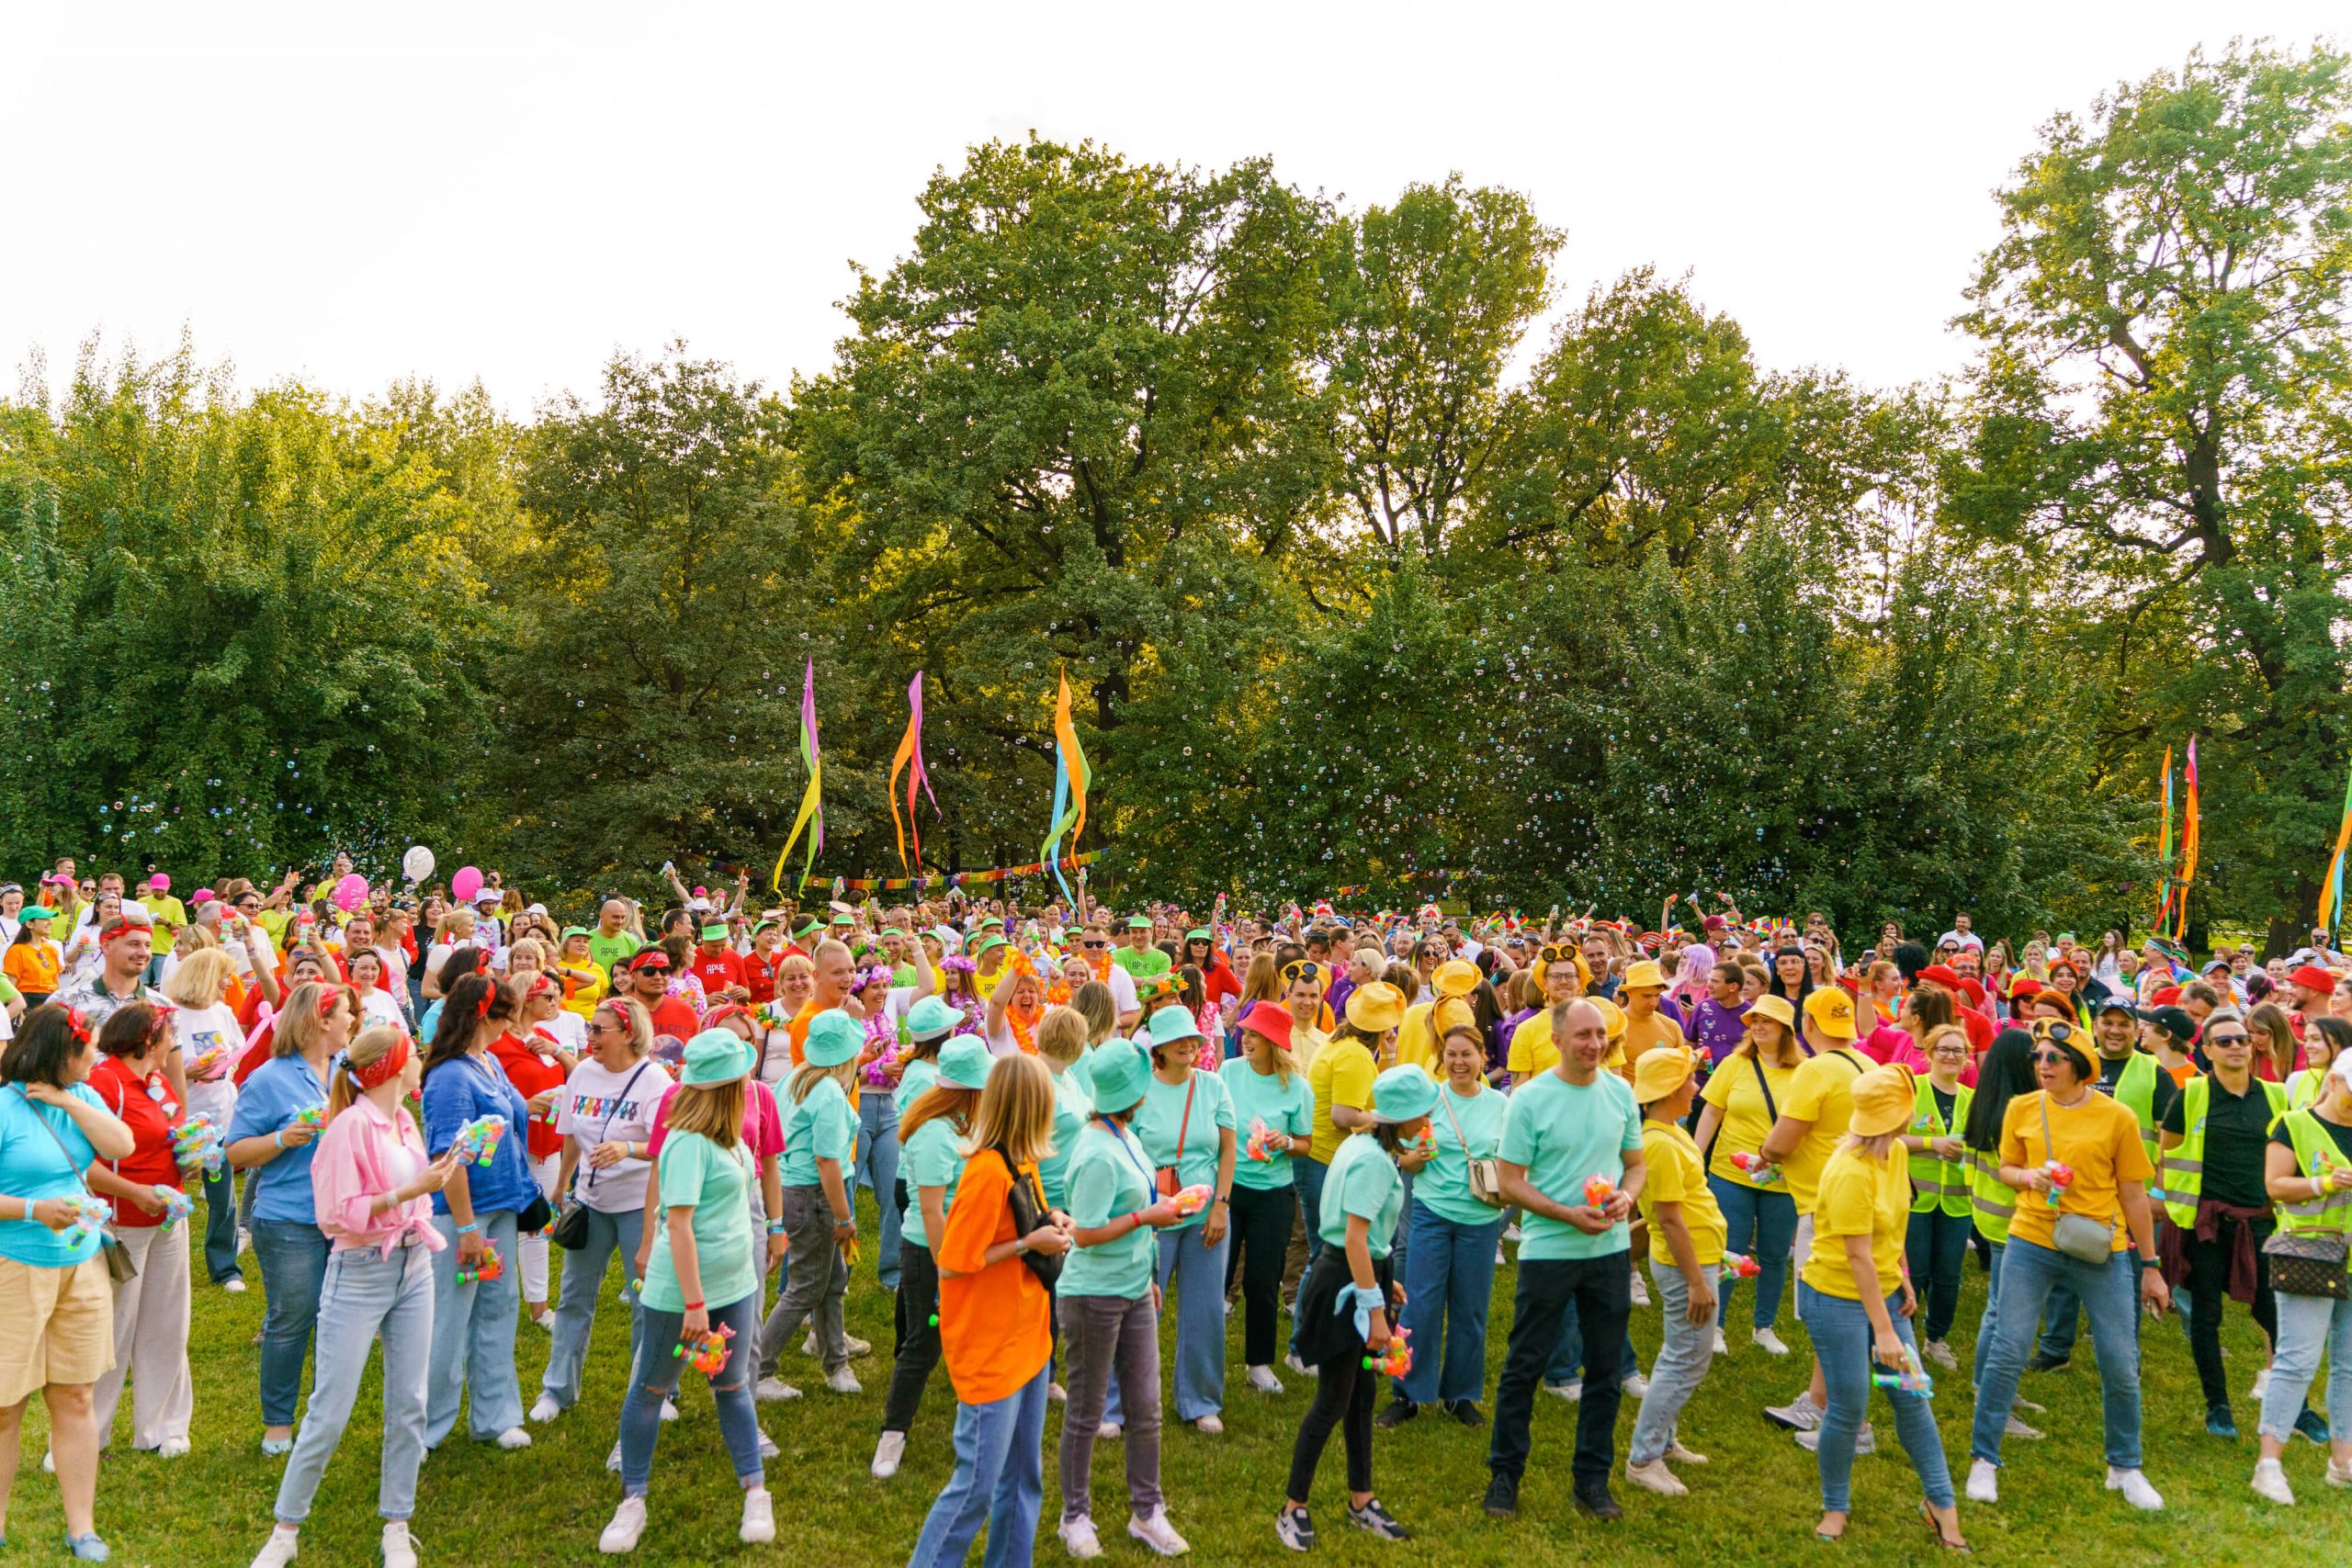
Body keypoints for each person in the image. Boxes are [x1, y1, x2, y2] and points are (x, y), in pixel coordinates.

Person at [245, 1024, 459, 1568]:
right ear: (393, 1067)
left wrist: (434, 1180)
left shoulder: (404, 1120)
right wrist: (413, 1189)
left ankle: (397, 1525)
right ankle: (285, 1530)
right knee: (329, 1411)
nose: (422, 1061)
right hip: (360, 1270)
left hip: (415, 1264)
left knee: (409, 1404)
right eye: (415, 1055)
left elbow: (411, 1196)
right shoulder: (349, 1126)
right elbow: (337, 1215)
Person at [1965, 1016, 2170, 1510]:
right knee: (2009, 1348)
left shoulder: (2117, 1117)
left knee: (2119, 1359)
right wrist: (2027, 1177)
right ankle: (1983, 1460)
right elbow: (2006, 1167)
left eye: (2054, 1057)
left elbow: (2133, 1193)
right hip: (2031, 1238)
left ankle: (2125, 1467)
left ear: (2080, 1066)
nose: (2042, 1064)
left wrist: (2150, 1265)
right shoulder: (2021, 1108)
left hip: (2100, 1246)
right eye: (2037, 1056)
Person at [596, 1029, 776, 1553]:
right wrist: (695, 1305)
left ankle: (756, 1491)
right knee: (651, 1389)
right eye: (743, 1075)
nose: (750, 1081)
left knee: (733, 1387)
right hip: (681, 1296)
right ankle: (633, 1499)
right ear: (728, 1084)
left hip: (735, 1286)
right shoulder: (686, 1143)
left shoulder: (731, 1137)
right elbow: (678, 1225)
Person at [904, 1054, 1072, 1568]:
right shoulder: (985, 1172)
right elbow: (954, 1262)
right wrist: (1028, 1244)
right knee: (976, 1486)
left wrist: (1052, 1219)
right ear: (1031, 1107)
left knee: (1023, 1477)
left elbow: (1024, 1218)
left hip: (1028, 1337)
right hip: (991, 1347)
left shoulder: (1020, 1160)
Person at [1484, 998, 1645, 1524]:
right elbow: (1509, 1182)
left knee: (1604, 1369)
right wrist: (1565, 1214)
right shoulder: (1530, 1100)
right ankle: (1505, 1476)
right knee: (1524, 1366)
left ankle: (1592, 1481)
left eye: (1600, 1034)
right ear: (1557, 1040)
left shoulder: (1619, 1092)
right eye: (1583, 1035)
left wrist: (1626, 1196)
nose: (1595, 1043)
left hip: (1608, 1251)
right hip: (1549, 1251)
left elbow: (1636, 1165)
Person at [1798, 1063, 1966, 1550]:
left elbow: (1891, 1230)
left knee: (1911, 1398)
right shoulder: (1850, 1171)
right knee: (1849, 1405)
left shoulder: (1896, 1152)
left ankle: (1942, 1507)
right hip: (1835, 1298)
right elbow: (1857, 1257)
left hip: (1883, 1291)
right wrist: (1886, 1331)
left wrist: (1903, 1277)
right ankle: (1835, 1508)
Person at [1277, 1064, 1433, 1551]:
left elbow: (1367, 1237)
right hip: (1345, 1283)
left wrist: (1388, 1279)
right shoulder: (1374, 1163)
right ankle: (1293, 1508)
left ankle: (1361, 1500)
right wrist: (1375, 1310)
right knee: (1332, 1401)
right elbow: (1353, 1237)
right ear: (1405, 1119)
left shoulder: (1364, 1145)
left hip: (1361, 1274)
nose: (1429, 1120)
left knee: (1362, 1398)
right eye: (1425, 1112)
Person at [0, 1005, 137, 1562]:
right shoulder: (4, 1108)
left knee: (77, 1395)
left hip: (81, 1266)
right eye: (90, 1049)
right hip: (14, 1267)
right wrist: (34, 1210)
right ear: (63, 1051)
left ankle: (81, 1528)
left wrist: (67, 1101)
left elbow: (122, 1147)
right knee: (4, 1406)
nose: (97, 1057)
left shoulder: (81, 1096)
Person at [1056, 1035, 1189, 1557]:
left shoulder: (1125, 1135)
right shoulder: (1096, 1152)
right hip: (1093, 1295)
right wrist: (1146, 1217)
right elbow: (1085, 1233)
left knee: (1146, 1407)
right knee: (1086, 1412)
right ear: (1127, 1094)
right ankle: (1074, 1517)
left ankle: (1147, 1512)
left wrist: (1148, 1273)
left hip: (1133, 1287)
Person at [532, 998, 670, 1431]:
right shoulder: (583, 1074)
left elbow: (667, 1146)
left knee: (648, 1302)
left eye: (598, 1030)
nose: (588, 1037)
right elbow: (573, 1133)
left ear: (628, 1034)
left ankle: (654, 1391)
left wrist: (628, 1148)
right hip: (590, 1203)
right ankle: (557, 1390)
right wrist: (561, 1184)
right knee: (574, 1298)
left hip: (639, 1206)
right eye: (590, 1028)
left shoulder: (654, 1080)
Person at [226, 980, 351, 1454]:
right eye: (345, 1012)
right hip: (290, 1220)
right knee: (292, 1320)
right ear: (320, 1020)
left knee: (336, 1323)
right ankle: (278, 1425)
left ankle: (323, 1420)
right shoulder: (269, 1079)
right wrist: (284, 1138)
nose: (352, 1019)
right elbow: (235, 1151)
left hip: (346, 1217)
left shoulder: (349, 1069)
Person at [2156, 1005, 2291, 1438]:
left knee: (2274, 1314)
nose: (2236, 1046)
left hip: (2261, 1223)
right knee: (2207, 1315)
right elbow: (2168, 1154)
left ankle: (2295, 1406)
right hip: (2206, 1224)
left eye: (2242, 1039)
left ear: (2252, 1047)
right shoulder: (2191, 1096)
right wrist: (2164, 1204)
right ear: (2208, 1050)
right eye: (2225, 1041)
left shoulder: (2276, 1096)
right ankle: (2218, 1407)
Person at [417, 972, 537, 1451]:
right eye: (509, 1013)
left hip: (502, 1205)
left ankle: (495, 1417)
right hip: (463, 1216)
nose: (514, 1022)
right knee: (448, 1322)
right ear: (487, 1016)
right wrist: (466, 1228)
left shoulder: (488, 1062)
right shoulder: (449, 1076)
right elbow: (447, 1157)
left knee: (497, 1311)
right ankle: (424, 1429)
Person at [873, 1035, 992, 1478]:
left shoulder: (969, 1122)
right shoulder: (934, 1132)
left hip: (969, 1249)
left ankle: (976, 1426)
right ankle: (893, 1435)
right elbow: (929, 1210)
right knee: (923, 1344)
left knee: (974, 1341)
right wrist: (949, 1270)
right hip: (932, 1252)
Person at [1758, 987, 1873, 1436]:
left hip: (1825, 1202)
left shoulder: (1815, 1069)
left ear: (1807, 1024)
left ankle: (1846, 1419)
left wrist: (1765, 1155)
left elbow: (1783, 1140)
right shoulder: (1868, 1064)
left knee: (1828, 1312)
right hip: (1862, 1196)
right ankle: (1819, 1401)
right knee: (1843, 1308)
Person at [84, 1004, 194, 1457]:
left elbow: (171, 1134)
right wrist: (133, 1191)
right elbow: (79, 1161)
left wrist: (191, 1156)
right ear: (148, 1040)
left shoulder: (158, 1081)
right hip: (120, 1225)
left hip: (168, 1219)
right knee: (112, 1328)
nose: (174, 1043)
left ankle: (162, 1428)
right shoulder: (104, 1082)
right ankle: (87, 1433)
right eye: (170, 1035)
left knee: (167, 1324)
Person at [1382, 1022, 1505, 1427]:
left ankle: (1460, 1395)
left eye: (1466, 1054)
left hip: (1480, 1220)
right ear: (1441, 1058)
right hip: (1431, 1213)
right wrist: (1414, 1159)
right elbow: (1403, 1160)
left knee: (1471, 1310)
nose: (1458, 1062)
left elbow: (1512, 1159)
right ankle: (1407, 1394)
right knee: (1419, 1305)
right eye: (1451, 1055)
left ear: (1482, 1057)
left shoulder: (1499, 1106)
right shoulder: (1430, 1101)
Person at [1126, 1005, 1236, 1433]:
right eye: (1178, 1040)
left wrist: (1221, 1205)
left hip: (1207, 1215)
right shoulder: (1140, 1092)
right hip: (1155, 1214)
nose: (1188, 1045)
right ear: (1159, 1048)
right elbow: (1129, 1154)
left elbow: (1228, 1149)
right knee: (1141, 1309)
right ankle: (1128, 1402)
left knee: (1205, 1310)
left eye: (1192, 1038)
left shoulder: (1213, 1085)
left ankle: (1200, 1400)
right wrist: (1148, 1208)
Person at [1620, 1043, 1724, 1495]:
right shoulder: (1659, 1144)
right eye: (1688, 1080)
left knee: (1679, 1355)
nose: (1696, 1087)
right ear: (1667, 1090)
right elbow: (1667, 1218)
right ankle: (1644, 1458)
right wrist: (1697, 1281)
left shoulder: (1670, 1131)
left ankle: (1661, 1441)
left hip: (1697, 1257)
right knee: (1686, 1361)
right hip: (1686, 1266)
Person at [2250, 1050, 2352, 1502]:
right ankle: (2268, 1464)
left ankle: (2343, 1462)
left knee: (2349, 1365)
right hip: (2309, 1257)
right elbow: (2275, 1186)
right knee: (2297, 1360)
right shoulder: (2294, 1124)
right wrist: (2323, 1184)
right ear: (2333, 1081)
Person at [1291, 982, 1401, 1375]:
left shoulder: (1342, 1043)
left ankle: (1319, 1341)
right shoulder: (1354, 1055)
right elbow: (1344, 1115)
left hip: (1323, 1158)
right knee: (1323, 1256)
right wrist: (1388, 1121)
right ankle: (1301, 1347)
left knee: (1322, 1255)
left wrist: (1388, 1055)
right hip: (1326, 1157)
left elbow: (1373, 1092)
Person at [756, 1007, 862, 1394]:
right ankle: (758, 1371)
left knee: (830, 1282)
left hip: (793, 1189)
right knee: (805, 1287)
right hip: (816, 1195)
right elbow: (827, 1160)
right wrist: (844, 1218)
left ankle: (837, 1364)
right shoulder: (830, 1093)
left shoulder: (795, 1077)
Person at [1693, 993, 1801, 1355]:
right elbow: (1712, 1111)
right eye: (1755, 1020)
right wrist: (1695, 1155)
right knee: (1729, 1250)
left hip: (1782, 1176)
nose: (1758, 1026)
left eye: (1767, 1021)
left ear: (1785, 1029)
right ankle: (1716, 1325)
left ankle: (1764, 1327)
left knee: (1774, 1254)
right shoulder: (1734, 1064)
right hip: (1730, 1172)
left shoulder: (1804, 1073)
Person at [1220, 1001, 1315, 1397]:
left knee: (1262, 1282)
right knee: (1217, 1275)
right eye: (1246, 1032)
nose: (1246, 1039)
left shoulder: (1297, 1087)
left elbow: (1305, 1143)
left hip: (1274, 1195)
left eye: (1255, 1035)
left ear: (1274, 1043)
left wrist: (1285, 1141)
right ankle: (1204, 1355)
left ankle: (1258, 1364)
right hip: (1229, 1188)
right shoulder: (1229, 1072)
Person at [1900, 1025, 1974, 1369]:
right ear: (1929, 1053)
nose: (1950, 1056)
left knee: (1948, 1278)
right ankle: (1905, 1339)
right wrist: (1933, 1143)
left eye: (1958, 1050)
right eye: (1943, 1049)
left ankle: (1936, 1339)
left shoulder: (1972, 1099)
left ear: (1967, 1057)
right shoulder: (1912, 1090)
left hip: (1957, 1202)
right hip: (1915, 1199)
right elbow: (1891, 1137)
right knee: (1913, 1273)